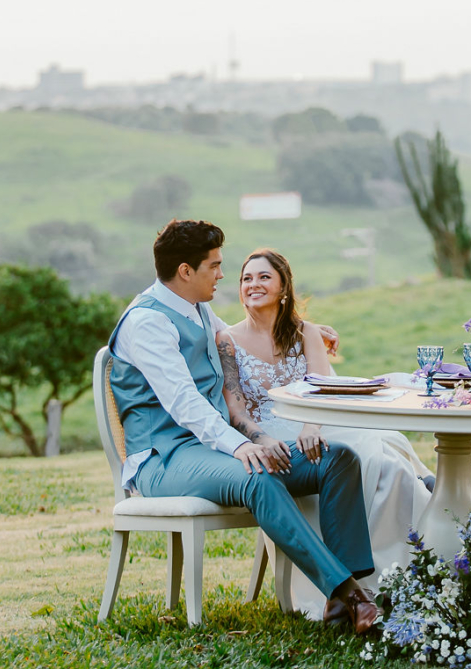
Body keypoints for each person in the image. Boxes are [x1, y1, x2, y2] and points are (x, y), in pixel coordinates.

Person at [107, 218, 382, 633]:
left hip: (208, 450)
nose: (222, 275)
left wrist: (308, 330)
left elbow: (243, 334)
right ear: (186, 271)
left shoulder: (196, 308)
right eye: (214, 266)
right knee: (258, 476)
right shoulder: (147, 322)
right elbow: (184, 400)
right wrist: (238, 445)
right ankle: (352, 597)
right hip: (163, 458)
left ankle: (342, 602)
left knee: (337, 458)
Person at [216, 248, 432, 621]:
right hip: (269, 437)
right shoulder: (227, 340)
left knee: (387, 464)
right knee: (375, 462)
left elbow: (320, 389)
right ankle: (358, 591)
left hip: (313, 424)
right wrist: (263, 440)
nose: (254, 284)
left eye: (264, 277)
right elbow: (235, 411)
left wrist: (311, 427)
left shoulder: (306, 333)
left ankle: (417, 568)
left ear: (283, 286)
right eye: (247, 278)